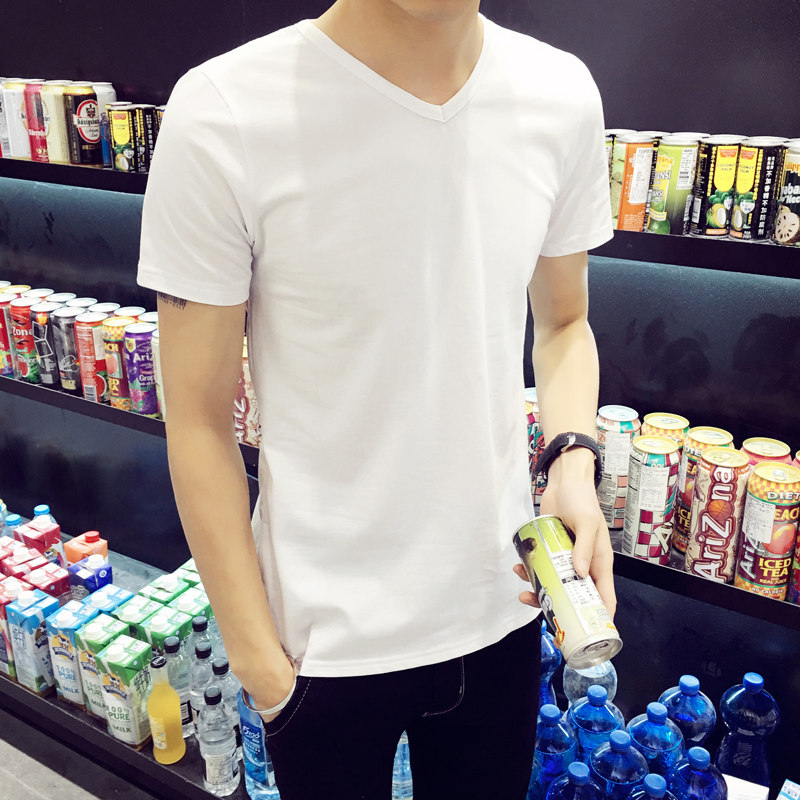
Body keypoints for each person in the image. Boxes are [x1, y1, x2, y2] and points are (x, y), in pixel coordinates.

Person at [137, 1, 616, 797]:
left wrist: (572, 459)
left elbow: (565, 322)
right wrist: (259, 665)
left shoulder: (559, 95)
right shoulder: (224, 111)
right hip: (320, 651)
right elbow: (195, 418)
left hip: (503, 608)